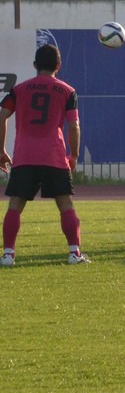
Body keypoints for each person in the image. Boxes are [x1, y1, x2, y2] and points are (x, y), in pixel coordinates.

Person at [0, 44, 89, 266]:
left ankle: (8, 255)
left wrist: (1, 150)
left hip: (25, 155)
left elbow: (2, 116)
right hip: (53, 155)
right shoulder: (67, 91)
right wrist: (74, 154)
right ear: (58, 65)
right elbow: (74, 125)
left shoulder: (19, 89)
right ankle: (74, 253)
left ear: (35, 65)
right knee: (65, 203)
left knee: (15, 204)